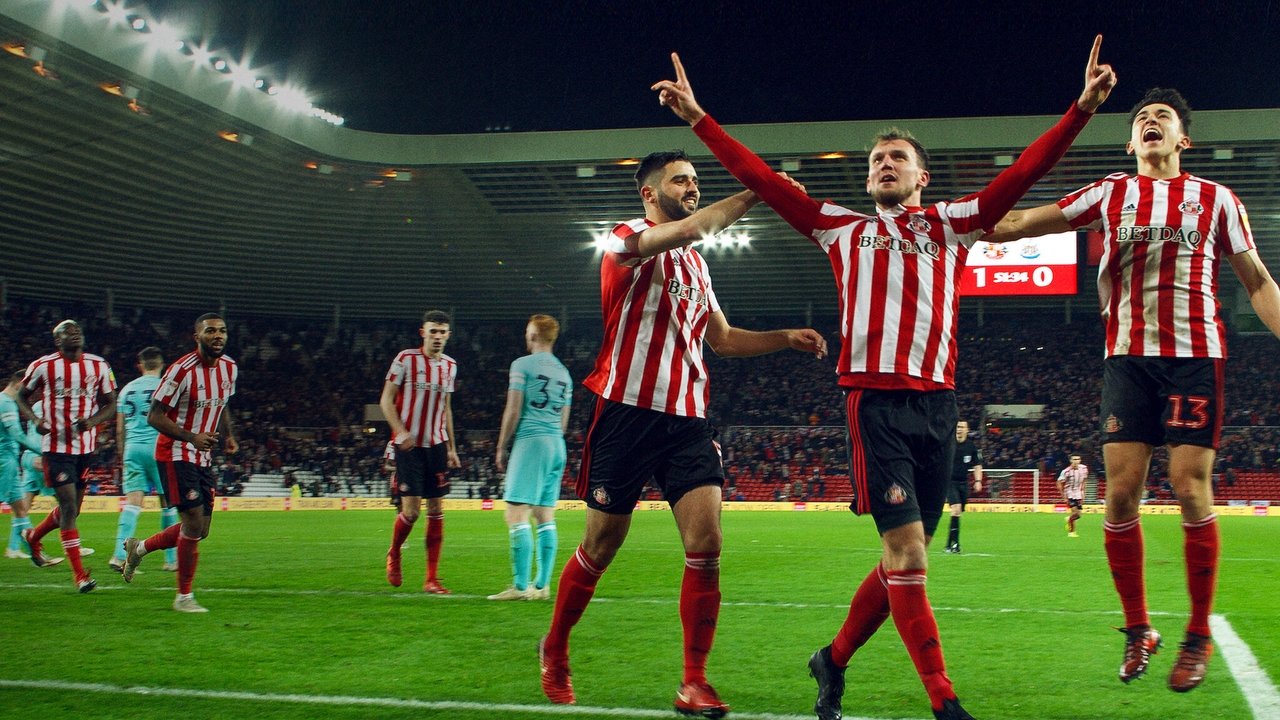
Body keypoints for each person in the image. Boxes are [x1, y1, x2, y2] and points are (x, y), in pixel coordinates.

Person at [652, 36, 1114, 720]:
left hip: (938, 406)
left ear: (922, 176)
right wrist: (698, 119)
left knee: (907, 556)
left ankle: (832, 659)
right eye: (876, 160)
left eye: (897, 157)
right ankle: (944, 699)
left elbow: (1023, 172)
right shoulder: (838, 227)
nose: (884, 164)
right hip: (874, 404)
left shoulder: (953, 224)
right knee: (907, 552)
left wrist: (1080, 110)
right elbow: (765, 180)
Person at [985, 86, 1280, 692]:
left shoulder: (1218, 199)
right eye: (1142, 117)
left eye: (1162, 117)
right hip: (1127, 360)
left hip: (1195, 356)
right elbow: (1016, 223)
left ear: (1182, 139)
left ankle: (1196, 634)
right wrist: (953, 219)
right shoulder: (1110, 192)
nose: (1151, 121)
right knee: (1119, 497)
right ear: (1130, 143)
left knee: (1189, 486)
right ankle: (1139, 628)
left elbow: (1256, 281)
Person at [537, 147, 828, 717]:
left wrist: (783, 338)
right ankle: (555, 647)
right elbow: (697, 226)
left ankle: (693, 682)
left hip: (688, 419)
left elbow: (722, 339)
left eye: (695, 180)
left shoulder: (696, 266)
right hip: (626, 413)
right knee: (601, 546)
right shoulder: (624, 240)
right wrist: (759, 190)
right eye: (680, 181)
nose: (692, 187)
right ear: (649, 193)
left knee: (707, 543)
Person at [121, 313, 239, 613]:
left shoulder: (229, 368)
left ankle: (139, 548)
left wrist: (228, 435)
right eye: (210, 331)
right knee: (193, 523)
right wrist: (191, 436)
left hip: (202, 455)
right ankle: (183, 597)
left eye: (222, 331)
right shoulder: (180, 371)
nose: (218, 336)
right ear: (197, 336)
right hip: (175, 452)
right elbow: (154, 416)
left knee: (201, 529)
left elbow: (222, 404)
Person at [16, 319, 118, 592]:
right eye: (67, 332)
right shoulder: (43, 365)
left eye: (77, 330)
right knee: (69, 508)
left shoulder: (99, 365)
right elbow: (21, 397)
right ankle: (80, 576)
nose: (75, 333)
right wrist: (35, 420)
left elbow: (111, 403)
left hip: (85, 448)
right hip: (56, 449)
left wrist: (93, 421)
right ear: (57, 340)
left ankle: (33, 537)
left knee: (72, 510)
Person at [489, 314, 573, 601]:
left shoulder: (522, 365)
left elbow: (513, 409)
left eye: (528, 331)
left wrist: (501, 446)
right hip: (556, 444)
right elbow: (564, 422)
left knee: (516, 514)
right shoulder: (564, 373)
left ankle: (520, 586)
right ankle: (542, 586)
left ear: (534, 335)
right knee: (545, 516)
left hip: (531, 441)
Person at [379, 309, 460, 594]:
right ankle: (395, 552)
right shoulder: (405, 359)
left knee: (436, 510)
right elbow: (386, 400)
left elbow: (446, 408)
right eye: (433, 331)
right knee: (411, 512)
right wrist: (400, 432)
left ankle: (431, 579)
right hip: (409, 446)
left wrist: (451, 447)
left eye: (442, 332)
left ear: (448, 335)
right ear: (423, 332)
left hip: (436, 445)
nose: (437, 336)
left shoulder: (450, 365)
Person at [109, 347, 179, 573]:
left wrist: (123, 455)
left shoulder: (126, 389)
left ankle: (119, 556)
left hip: (132, 449)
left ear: (140, 366)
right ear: (161, 365)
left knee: (132, 504)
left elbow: (120, 429)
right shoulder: (165, 387)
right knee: (167, 504)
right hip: (158, 449)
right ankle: (171, 560)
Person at [2, 370, 43, 559]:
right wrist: (43, 452)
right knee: (20, 509)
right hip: (4, 461)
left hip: (10, 460)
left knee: (20, 509)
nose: (29, 393)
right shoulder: (7, 403)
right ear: (19, 384)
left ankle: (34, 555)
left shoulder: (5, 402)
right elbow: (18, 435)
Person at [944, 421, 983, 553]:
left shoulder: (971, 447)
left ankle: (948, 544)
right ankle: (955, 544)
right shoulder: (948, 444)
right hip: (950, 482)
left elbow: (977, 465)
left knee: (957, 513)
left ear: (967, 430)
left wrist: (978, 481)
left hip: (963, 483)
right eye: (957, 427)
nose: (959, 429)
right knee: (956, 509)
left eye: (962, 427)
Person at [1056, 454, 1088, 538]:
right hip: (1069, 494)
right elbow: (1059, 482)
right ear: (1071, 460)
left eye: (1078, 459)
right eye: (1074, 459)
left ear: (1080, 460)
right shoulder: (1066, 471)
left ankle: (1069, 519)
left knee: (1078, 515)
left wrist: (1083, 493)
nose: (1076, 461)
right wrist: (1063, 496)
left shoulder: (1084, 469)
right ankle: (1071, 532)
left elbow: (1084, 481)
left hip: (1079, 494)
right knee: (1075, 512)